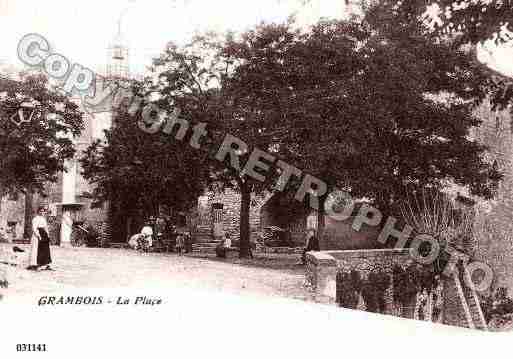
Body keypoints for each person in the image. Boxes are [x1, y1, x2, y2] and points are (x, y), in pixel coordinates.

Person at [28, 206, 52, 271]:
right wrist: (39, 236)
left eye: (43, 211)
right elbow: (34, 228)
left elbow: (46, 228)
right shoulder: (35, 219)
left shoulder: (43, 219)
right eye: (40, 211)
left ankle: (44, 264)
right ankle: (35, 264)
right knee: (37, 250)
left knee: (45, 249)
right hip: (38, 235)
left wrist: (48, 235)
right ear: (38, 211)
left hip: (44, 235)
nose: (42, 212)